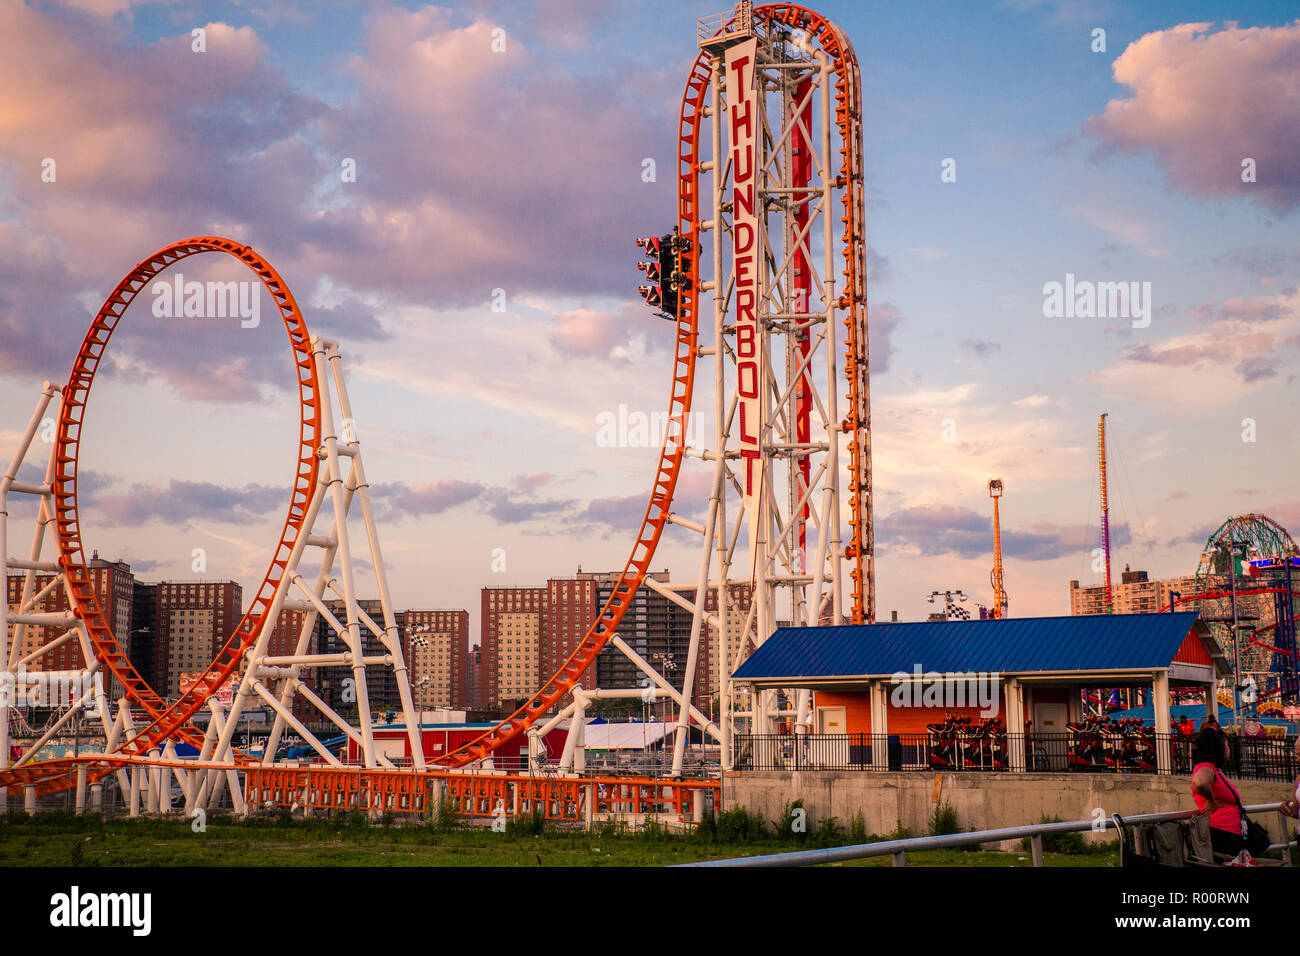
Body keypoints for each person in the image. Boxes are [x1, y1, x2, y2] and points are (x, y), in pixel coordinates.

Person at [1190, 725, 1245, 859]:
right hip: (1222, 833)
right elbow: (1200, 782)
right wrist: (1212, 800)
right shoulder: (1206, 768)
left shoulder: (1213, 769)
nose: (1228, 750)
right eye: (1226, 746)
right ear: (1218, 748)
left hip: (1229, 832)